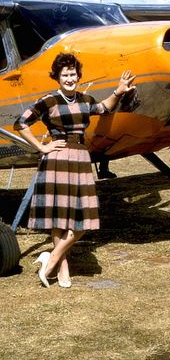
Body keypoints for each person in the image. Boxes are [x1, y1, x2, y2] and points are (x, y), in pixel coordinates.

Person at [14, 52, 136, 288]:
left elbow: (103, 109)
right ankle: (62, 271)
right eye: (65, 75)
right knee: (59, 218)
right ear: (57, 78)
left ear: (78, 76)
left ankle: (52, 257)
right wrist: (41, 146)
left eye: (73, 74)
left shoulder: (84, 100)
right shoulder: (49, 100)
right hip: (57, 158)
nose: (70, 78)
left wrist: (118, 92)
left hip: (81, 158)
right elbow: (21, 123)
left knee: (84, 218)